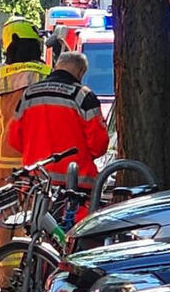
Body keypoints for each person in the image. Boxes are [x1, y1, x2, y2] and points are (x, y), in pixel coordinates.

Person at [0, 16, 51, 284]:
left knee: (7, 218)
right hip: (38, 156)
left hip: (7, 158)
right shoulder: (46, 72)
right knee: (35, 216)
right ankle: (33, 276)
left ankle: (6, 278)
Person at [8, 51, 109, 194]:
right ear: (81, 72)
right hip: (76, 184)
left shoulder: (29, 94)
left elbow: (14, 139)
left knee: (36, 217)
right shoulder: (84, 96)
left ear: (57, 66)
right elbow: (99, 144)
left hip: (37, 182)